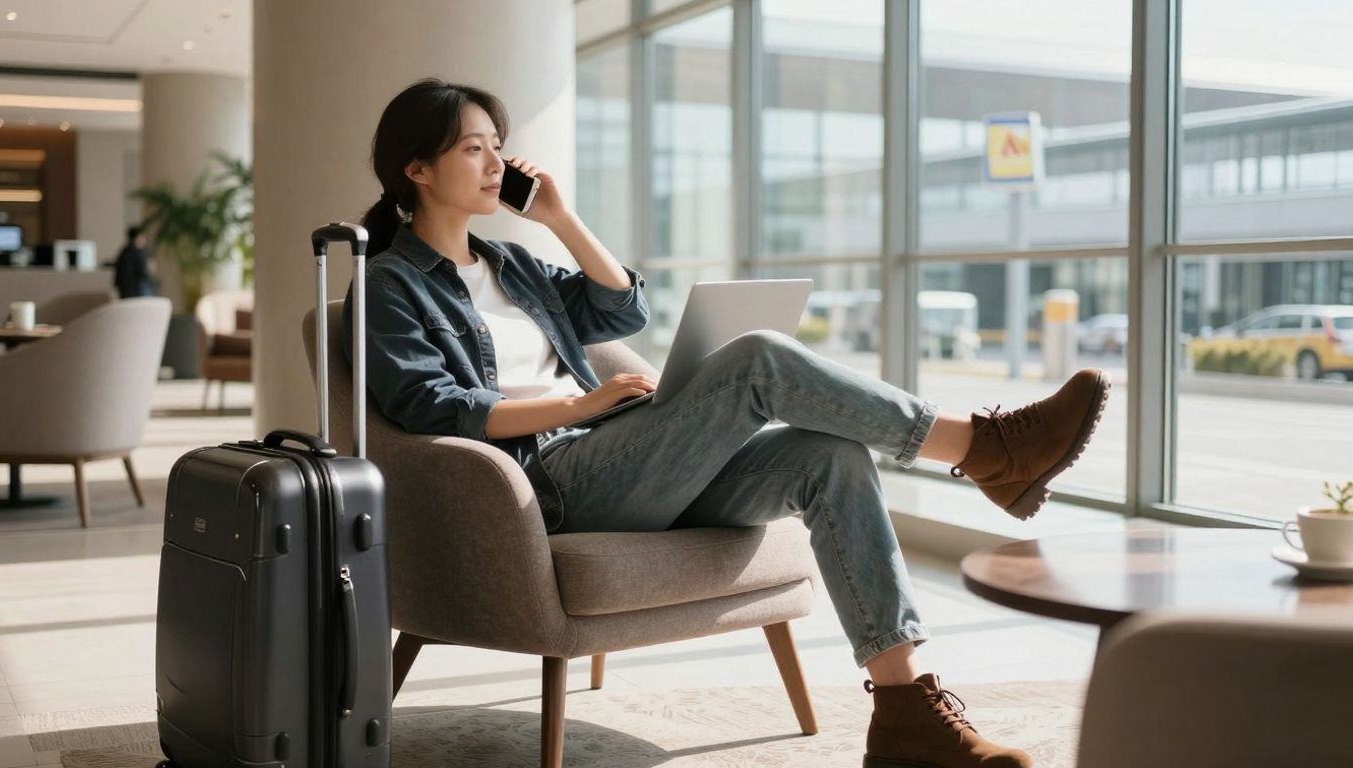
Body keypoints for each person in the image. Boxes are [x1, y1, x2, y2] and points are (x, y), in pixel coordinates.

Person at [347, 79, 1111, 768]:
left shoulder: (511, 264)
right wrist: (579, 406)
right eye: (473, 148)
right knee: (758, 359)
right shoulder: (387, 284)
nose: (495, 163)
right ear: (417, 169)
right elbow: (435, 407)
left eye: (498, 146)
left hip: (618, 459)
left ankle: (905, 712)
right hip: (546, 483)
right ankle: (984, 449)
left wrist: (561, 217)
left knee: (831, 456)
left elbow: (620, 309)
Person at [112, 225, 155, 298]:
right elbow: (143, 271)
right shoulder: (138, 252)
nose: (145, 239)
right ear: (138, 237)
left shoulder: (125, 251)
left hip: (126, 289)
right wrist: (150, 268)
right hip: (137, 288)